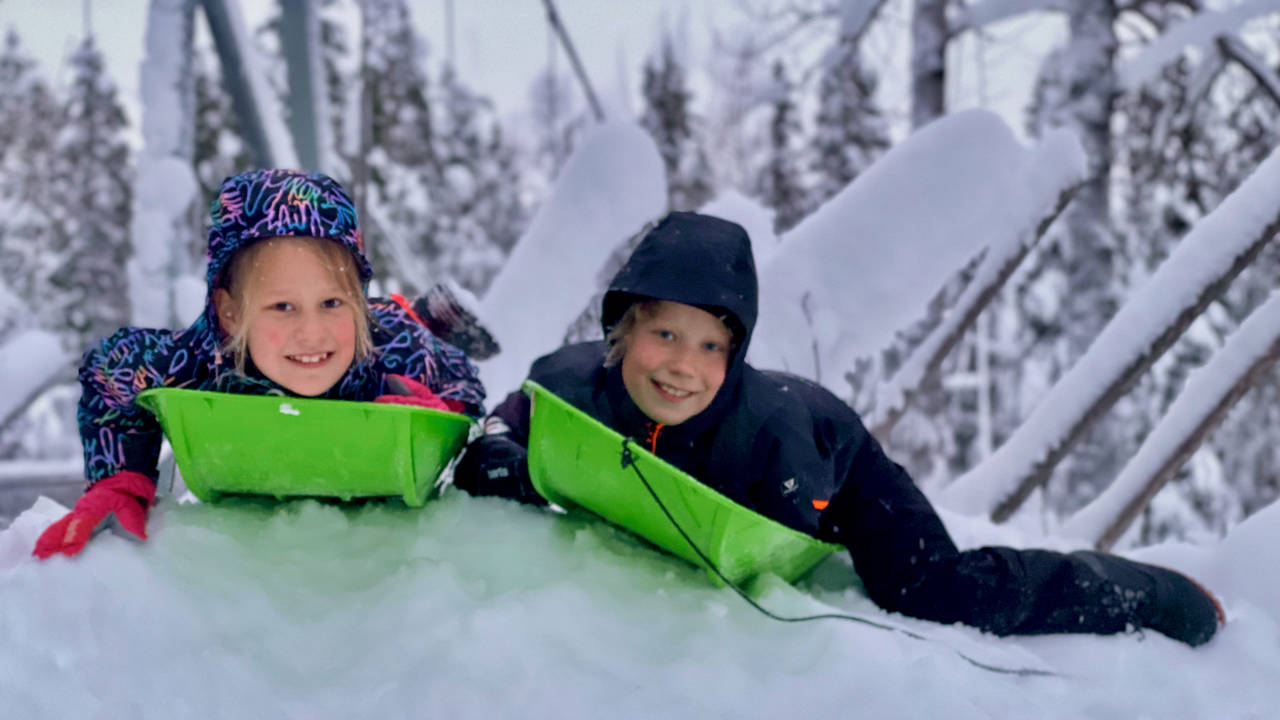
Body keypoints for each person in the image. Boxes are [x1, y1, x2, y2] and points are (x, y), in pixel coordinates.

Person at [453, 211, 1224, 647]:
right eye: (664, 335)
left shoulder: (775, 436)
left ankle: (1149, 594)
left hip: (835, 461)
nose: (683, 366)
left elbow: (785, 545)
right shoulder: (567, 378)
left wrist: (792, 519)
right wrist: (497, 452)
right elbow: (512, 416)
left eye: (712, 344)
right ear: (622, 332)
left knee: (934, 592)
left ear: (738, 351)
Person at [34, 168, 485, 559]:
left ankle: (426, 309)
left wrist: (441, 412)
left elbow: (464, 381)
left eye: (331, 301)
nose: (312, 332)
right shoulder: (197, 360)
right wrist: (120, 480)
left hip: (396, 326)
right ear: (231, 313)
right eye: (282, 307)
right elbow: (107, 370)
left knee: (408, 321)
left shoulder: (392, 346)